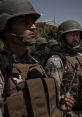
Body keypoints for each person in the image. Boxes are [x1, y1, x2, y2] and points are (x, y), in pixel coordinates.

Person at [0, 0, 74, 116]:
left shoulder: (36, 62)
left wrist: (59, 102)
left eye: (33, 22)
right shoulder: (3, 66)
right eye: (24, 21)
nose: (34, 27)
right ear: (5, 26)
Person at [46, 20, 82, 116]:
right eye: (71, 35)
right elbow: (53, 94)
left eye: (77, 34)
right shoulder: (56, 60)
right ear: (62, 37)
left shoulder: (80, 56)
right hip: (68, 112)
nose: (75, 38)